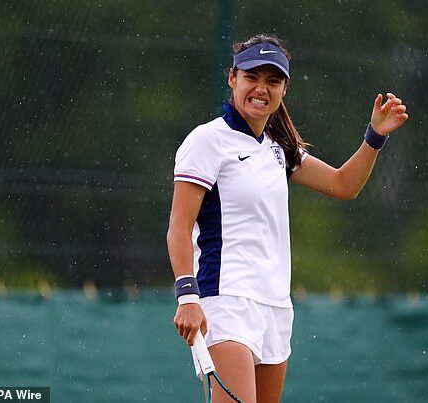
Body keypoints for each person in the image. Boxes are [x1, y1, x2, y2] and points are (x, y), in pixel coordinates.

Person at [166, 34, 408, 403]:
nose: (261, 89)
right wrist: (187, 296)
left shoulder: (280, 149)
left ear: (284, 89)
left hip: (276, 307)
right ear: (232, 78)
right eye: (251, 77)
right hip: (225, 300)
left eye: (273, 81)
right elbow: (179, 228)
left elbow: (344, 184)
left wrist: (374, 136)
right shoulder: (207, 141)